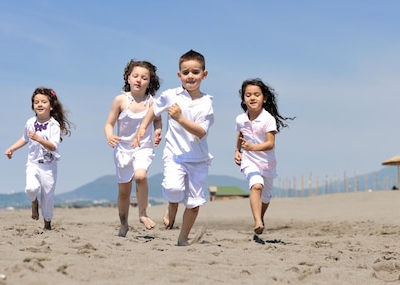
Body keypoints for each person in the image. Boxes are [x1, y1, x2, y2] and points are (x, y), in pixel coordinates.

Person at [133, 49, 214, 246]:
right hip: (175, 155)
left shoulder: (207, 103)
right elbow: (154, 109)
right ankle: (172, 205)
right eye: (185, 72)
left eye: (195, 72)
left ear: (204, 74)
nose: (190, 76)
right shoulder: (171, 95)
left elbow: (201, 131)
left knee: (194, 203)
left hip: (198, 159)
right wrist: (143, 127)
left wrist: (179, 118)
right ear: (179, 75)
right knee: (172, 187)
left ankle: (183, 238)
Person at [104, 59, 162, 237]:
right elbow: (109, 123)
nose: (139, 80)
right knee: (123, 193)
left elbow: (158, 119)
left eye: (144, 77)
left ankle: (143, 213)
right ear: (128, 78)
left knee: (140, 175)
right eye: (135, 76)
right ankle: (123, 224)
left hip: (143, 147)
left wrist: (158, 132)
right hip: (123, 149)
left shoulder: (153, 102)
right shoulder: (121, 100)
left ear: (149, 82)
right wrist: (109, 135)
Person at [5, 87, 73, 230]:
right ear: (33, 106)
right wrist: (12, 148)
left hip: (49, 167)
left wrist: (38, 138)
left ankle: (47, 224)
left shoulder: (54, 125)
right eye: (36, 102)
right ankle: (34, 202)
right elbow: (24, 139)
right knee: (31, 188)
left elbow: (53, 146)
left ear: (51, 106)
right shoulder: (30, 122)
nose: (40, 104)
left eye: (43, 101)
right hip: (33, 164)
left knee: (48, 198)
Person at [234, 79, 294, 235]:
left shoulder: (268, 119)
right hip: (249, 160)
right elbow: (240, 134)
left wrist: (252, 147)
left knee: (266, 197)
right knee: (256, 186)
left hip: (267, 163)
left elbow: (270, 144)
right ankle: (258, 221)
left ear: (264, 98)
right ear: (243, 99)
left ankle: (260, 217)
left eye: (256, 94)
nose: (252, 98)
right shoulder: (240, 119)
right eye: (248, 95)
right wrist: (237, 151)